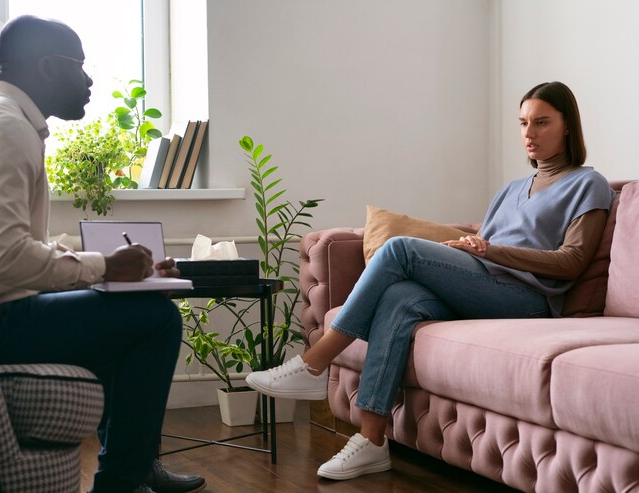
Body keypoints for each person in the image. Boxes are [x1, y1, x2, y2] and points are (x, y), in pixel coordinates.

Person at [246, 81, 615, 481]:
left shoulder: (587, 184)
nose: (529, 133)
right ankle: (371, 441)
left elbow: (571, 262)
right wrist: (470, 252)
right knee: (401, 297)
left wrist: (490, 251)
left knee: (400, 249)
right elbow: (484, 247)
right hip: (483, 284)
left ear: (567, 126)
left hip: (528, 299)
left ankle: (315, 361)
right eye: (523, 122)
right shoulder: (511, 189)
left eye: (542, 122)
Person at [0, 15, 205, 493]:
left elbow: (11, 247)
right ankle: (123, 481)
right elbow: (2, 258)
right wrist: (102, 267)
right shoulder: (6, 131)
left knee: (128, 309)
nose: (90, 79)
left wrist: (116, 267)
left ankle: (132, 469)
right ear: (48, 68)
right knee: (157, 319)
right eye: (81, 66)